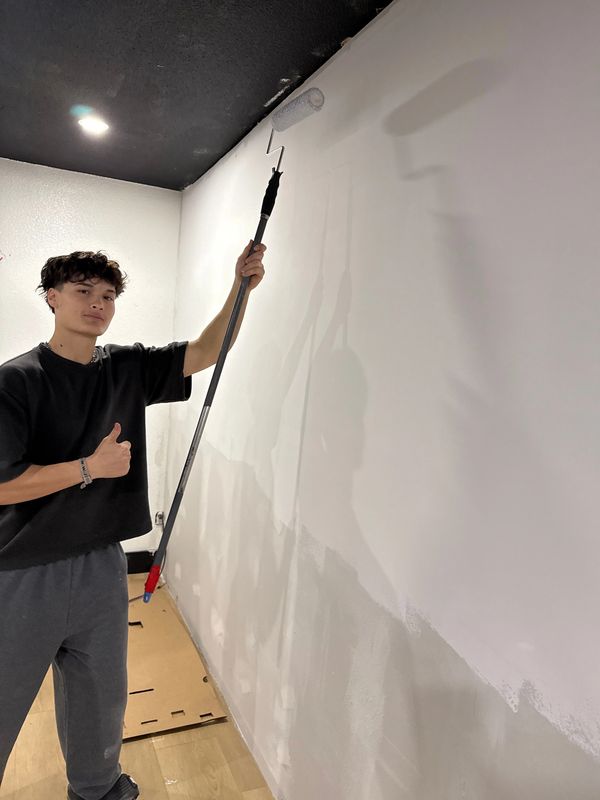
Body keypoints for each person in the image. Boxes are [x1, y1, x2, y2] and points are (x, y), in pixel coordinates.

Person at [0, 242, 266, 800]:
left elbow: (203, 350)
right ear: (52, 298)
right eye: (82, 292)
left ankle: (96, 790)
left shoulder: (126, 365)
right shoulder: (15, 381)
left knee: (100, 695)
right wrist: (86, 469)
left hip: (101, 562)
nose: (97, 304)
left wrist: (239, 288)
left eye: (107, 296)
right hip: (24, 572)